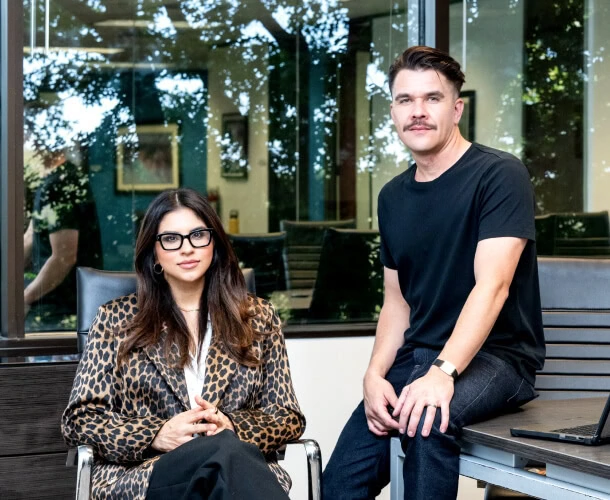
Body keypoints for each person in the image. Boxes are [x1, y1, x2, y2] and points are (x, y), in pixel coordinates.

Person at [323, 46, 545, 499]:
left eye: (432, 98)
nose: (418, 112)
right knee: (342, 481)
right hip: (418, 358)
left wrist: (443, 372)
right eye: (405, 100)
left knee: (426, 424)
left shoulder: (499, 175)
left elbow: (494, 285)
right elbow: (397, 301)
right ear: (393, 111)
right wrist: (374, 375)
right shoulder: (392, 197)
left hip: (497, 358)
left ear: (457, 107)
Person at [62, 188, 305, 499]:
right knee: (222, 454)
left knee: (223, 452)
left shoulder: (257, 318)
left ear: (214, 243)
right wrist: (156, 435)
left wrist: (231, 425)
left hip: (233, 475)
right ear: (155, 253)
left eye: (198, 235)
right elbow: (79, 421)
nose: (187, 248)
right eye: (172, 239)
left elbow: (287, 416)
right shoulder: (116, 321)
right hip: (146, 475)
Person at [23, 118, 102, 331]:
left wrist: (25, 298)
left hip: (61, 310)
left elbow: (64, 256)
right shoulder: (48, 183)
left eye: (28, 141)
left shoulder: (59, 185)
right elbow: (31, 236)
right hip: (50, 302)